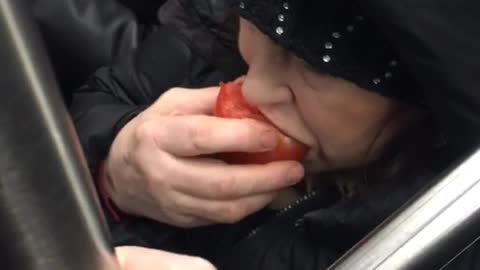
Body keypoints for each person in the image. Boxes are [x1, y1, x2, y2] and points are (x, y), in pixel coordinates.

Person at [71, 0, 480, 269]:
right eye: (254, 21)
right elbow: (105, 100)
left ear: (424, 95)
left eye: (317, 65)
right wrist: (113, 173)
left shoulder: (448, 233)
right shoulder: (215, 30)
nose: (253, 89)